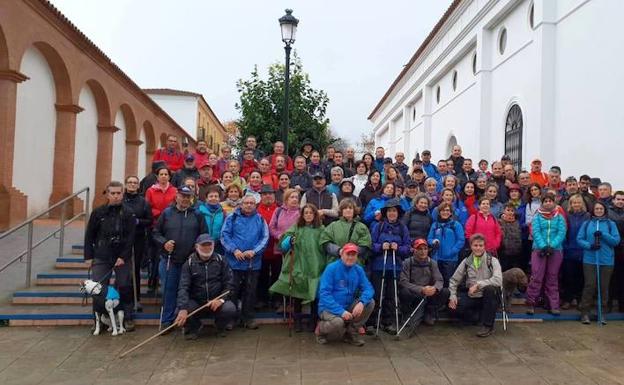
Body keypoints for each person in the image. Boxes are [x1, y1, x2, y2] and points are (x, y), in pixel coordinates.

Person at [152, 186, 207, 330]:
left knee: (190, 291)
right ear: (176, 196)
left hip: (190, 261)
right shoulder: (167, 213)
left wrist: (197, 249)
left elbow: (204, 236)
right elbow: (156, 233)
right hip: (170, 259)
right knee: (169, 289)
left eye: (188, 196)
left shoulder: (197, 215)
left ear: (192, 198)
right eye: (182, 196)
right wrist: (164, 243)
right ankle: (167, 320)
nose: (185, 199)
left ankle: (188, 321)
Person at [84, 181, 137, 330]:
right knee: (98, 288)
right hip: (102, 255)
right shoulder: (98, 213)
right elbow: (89, 235)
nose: (115, 196)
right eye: (112, 193)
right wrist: (88, 256)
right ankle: (98, 320)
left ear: (123, 194)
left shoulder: (129, 213)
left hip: (122, 256)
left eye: (118, 193)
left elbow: (131, 238)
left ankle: (127, 317)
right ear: (107, 194)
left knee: (125, 286)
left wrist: (123, 256)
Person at [270, 204, 326, 332]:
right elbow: (283, 246)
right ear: (302, 215)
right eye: (306, 213)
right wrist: (289, 241)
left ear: (315, 215)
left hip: (315, 265)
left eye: (311, 213)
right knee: (297, 294)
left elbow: (325, 245)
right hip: (298, 265)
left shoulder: (321, 229)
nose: (308, 215)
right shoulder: (295, 228)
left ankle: (313, 320)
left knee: (314, 295)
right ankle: (297, 321)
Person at [220, 194, 269, 329]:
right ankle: (231, 319)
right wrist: (234, 250)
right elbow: (224, 235)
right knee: (232, 291)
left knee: (250, 291)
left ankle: (248, 318)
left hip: (253, 263)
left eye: (251, 203)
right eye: (246, 203)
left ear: (255, 205)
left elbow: (265, 238)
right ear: (241, 204)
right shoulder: (232, 217)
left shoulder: (260, 219)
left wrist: (254, 251)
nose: (248, 205)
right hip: (234, 262)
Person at [174, 234, 237, 339]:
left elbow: (230, 284)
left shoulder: (222, 260)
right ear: (196, 247)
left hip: (216, 300)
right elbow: (183, 287)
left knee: (229, 308)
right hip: (197, 301)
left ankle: (220, 326)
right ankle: (194, 327)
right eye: (204, 245)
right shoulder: (188, 264)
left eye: (210, 245)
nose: (207, 248)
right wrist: (183, 308)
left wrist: (220, 299)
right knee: (180, 309)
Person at [316, 243, 375, 346]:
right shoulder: (331, 269)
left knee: (370, 302)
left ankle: (350, 334)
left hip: (347, 306)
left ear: (357, 257)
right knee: (338, 322)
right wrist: (341, 312)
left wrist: (361, 302)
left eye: (353, 255)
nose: (351, 257)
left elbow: (369, 289)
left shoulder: (358, 270)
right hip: (328, 308)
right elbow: (324, 294)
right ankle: (321, 330)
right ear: (342, 254)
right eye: (348, 254)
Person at [369, 198, 411, 334]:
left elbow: (407, 248)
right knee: (377, 294)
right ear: (385, 213)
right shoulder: (378, 226)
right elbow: (371, 245)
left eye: (394, 211)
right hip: (379, 266)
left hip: (395, 266)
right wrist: (381, 246)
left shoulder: (402, 228)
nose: (392, 213)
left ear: (398, 213)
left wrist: (397, 248)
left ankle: (388, 321)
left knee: (391, 295)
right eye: (389, 211)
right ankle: (374, 321)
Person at [448, 234, 502, 337]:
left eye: (481, 245)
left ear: (484, 246)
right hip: (472, 296)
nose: (478, 248)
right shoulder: (466, 261)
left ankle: (488, 326)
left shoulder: (493, 261)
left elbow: (498, 280)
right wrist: (453, 296)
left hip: (488, 297)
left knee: (490, 289)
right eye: (475, 245)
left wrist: (478, 285)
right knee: (453, 308)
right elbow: (454, 281)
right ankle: (476, 316)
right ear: (471, 246)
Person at [577, 201, 620, 324]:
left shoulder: (611, 224)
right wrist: (589, 245)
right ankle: (585, 313)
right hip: (590, 260)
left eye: (601, 209)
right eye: (597, 209)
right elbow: (579, 239)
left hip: (606, 260)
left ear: (605, 210)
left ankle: (601, 313)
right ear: (593, 210)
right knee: (589, 285)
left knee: (604, 287)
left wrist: (604, 235)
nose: (599, 211)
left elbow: (616, 241)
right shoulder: (587, 224)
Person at [525, 193, 566, 315]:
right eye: (545, 201)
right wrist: (543, 246)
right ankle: (531, 303)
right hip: (539, 249)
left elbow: (562, 232)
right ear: (542, 203)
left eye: (550, 201)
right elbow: (535, 231)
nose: (548, 203)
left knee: (552, 277)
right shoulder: (537, 216)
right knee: (536, 276)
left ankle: (553, 304)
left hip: (555, 250)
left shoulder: (559, 217)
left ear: (554, 202)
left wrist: (552, 246)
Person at [398, 239, 448, 334]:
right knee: (404, 292)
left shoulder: (432, 262)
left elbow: (439, 280)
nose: (423, 251)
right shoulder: (408, 262)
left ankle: (429, 312)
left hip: (429, 293)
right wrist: (421, 289)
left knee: (445, 291)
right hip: (415, 292)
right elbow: (403, 281)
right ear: (414, 250)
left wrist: (434, 288)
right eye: (420, 249)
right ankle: (407, 313)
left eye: (425, 249)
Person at [265, 189, 300, 308]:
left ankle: (292, 301)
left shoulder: (301, 212)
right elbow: (271, 227)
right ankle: (278, 300)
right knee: (279, 274)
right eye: (292, 197)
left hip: (296, 250)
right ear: (286, 199)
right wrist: (280, 237)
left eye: (296, 197)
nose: (294, 199)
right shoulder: (278, 211)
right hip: (280, 248)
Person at [123, 176, 152, 313]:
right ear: (126, 184)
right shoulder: (120, 199)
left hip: (138, 239)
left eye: (135, 183)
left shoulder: (143, 202)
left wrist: (138, 222)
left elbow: (149, 220)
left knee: (135, 270)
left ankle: (136, 299)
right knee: (122, 270)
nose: (132, 185)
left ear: (138, 185)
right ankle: (122, 298)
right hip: (122, 239)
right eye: (130, 182)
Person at [561, 194, 590, 310]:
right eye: (574, 202)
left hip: (583, 251)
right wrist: (565, 246)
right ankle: (567, 299)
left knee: (581, 277)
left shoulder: (587, 216)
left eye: (578, 202)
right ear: (570, 204)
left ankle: (579, 299)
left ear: (582, 204)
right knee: (568, 277)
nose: (576, 205)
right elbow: (564, 232)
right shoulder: (567, 216)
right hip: (569, 250)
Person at [320, 199, 372, 264]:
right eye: (345, 208)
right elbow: (326, 243)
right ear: (341, 211)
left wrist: (350, 252)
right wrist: (339, 251)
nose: (348, 210)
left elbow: (365, 245)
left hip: (355, 264)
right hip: (335, 263)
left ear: (354, 210)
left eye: (350, 208)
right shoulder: (332, 226)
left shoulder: (362, 227)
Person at [427, 202, 465, 287]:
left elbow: (461, 240)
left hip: (450, 259)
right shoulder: (435, 225)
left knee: (448, 282)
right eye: (443, 210)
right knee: (437, 282)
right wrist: (433, 242)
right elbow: (429, 239)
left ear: (451, 212)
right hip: (436, 258)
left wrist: (452, 251)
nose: (445, 212)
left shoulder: (456, 225)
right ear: (439, 212)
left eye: (448, 210)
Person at [608, 191, 624, 312]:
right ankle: (607, 304)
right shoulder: (608, 212)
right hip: (610, 248)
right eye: (618, 199)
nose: (620, 201)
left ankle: (621, 304)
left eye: (623, 200)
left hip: (622, 249)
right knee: (610, 277)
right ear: (613, 200)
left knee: (621, 277)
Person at [197, 186, 226, 254]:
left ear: (219, 199)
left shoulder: (223, 213)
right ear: (206, 198)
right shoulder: (199, 211)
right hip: (202, 244)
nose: (213, 198)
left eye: (216, 196)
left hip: (218, 246)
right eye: (211, 196)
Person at [498, 203, 523, 272]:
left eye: (512, 211)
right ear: (504, 211)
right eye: (508, 210)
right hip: (504, 251)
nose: (510, 212)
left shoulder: (516, 222)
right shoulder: (500, 222)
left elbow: (518, 236)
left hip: (515, 251)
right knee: (504, 269)